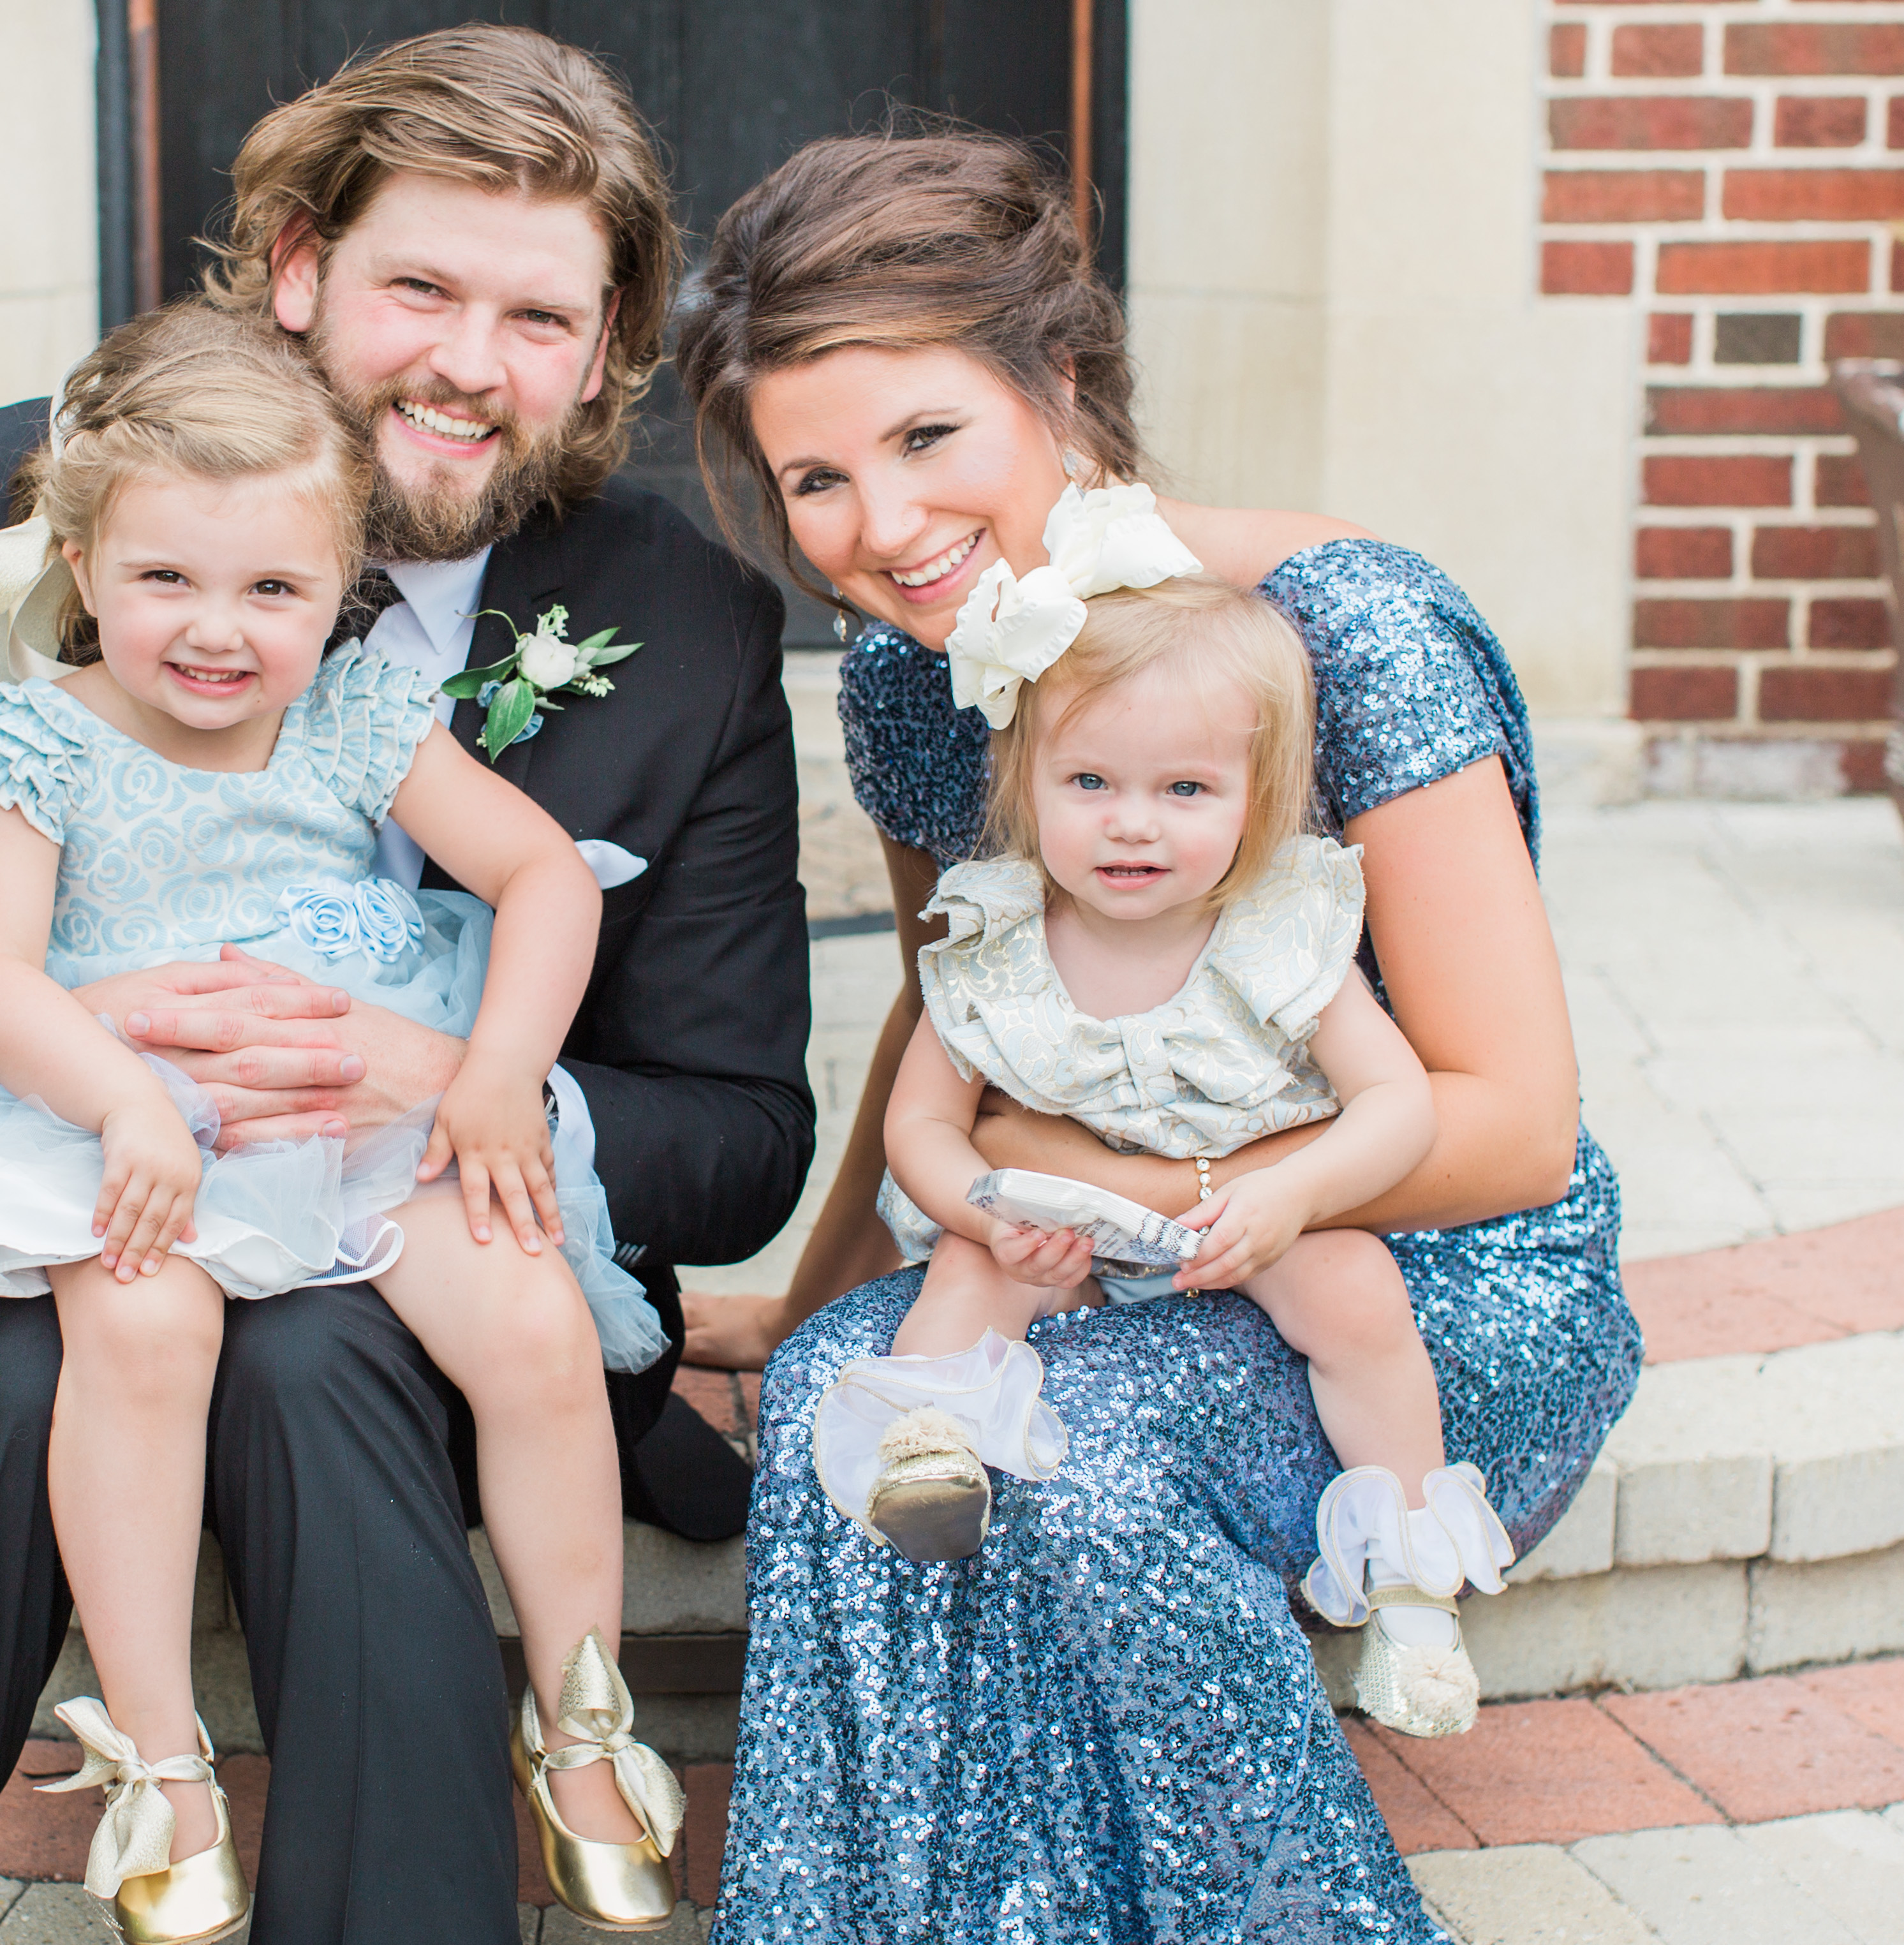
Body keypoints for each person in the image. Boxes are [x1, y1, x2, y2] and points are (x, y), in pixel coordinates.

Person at [0, 29, 810, 1945]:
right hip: (88, 1184)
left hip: (419, 1216)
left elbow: (737, 1129)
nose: (472, 364)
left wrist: (451, 1075)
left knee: (319, 1371)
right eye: (421, 288)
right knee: (23, 1369)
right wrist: (73, 1057)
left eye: (539, 318)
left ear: (603, 350)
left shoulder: (692, 616)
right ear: (299, 266)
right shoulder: (48, 478)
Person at [675, 131, 1636, 1939]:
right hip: (1103, 1252)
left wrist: (1142, 1190)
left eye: (925, 435)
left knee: (1079, 1459)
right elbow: (966, 1018)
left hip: (1414, 1270)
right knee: (840, 1412)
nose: (882, 524)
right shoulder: (913, 673)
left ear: (1055, 380)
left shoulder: (1349, 625)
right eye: (816, 477)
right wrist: (814, 1298)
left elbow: (1511, 1126)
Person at [0, 306, 685, 1941]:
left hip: (351, 1108)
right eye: (166, 578)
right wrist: (122, 1102)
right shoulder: (36, 739)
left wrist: (495, 1068)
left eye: (273, 590)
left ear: (340, 579)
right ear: (81, 565)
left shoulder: (355, 715)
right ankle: (162, 1760)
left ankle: (581, 1718)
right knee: (139, 1327)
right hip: (118, 1117)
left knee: (530, 1317)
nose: (217, 632)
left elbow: (541, 875)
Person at [817, 561, 1510, 1742]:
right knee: (969, 1271)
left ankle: (1408, 1585)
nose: (1131, 820)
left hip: (1246, 1220)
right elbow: (918, 1123)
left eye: (1184, 787)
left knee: (1356, 1290)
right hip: (1061, 1226)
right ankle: (931, 1449)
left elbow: (1396, 1102)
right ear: (1026, 782)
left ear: (1255, 797)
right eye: (1088, 781)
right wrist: (984, 1213)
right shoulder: (997, 942)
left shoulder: (1274, 936)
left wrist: (1295, 1193)